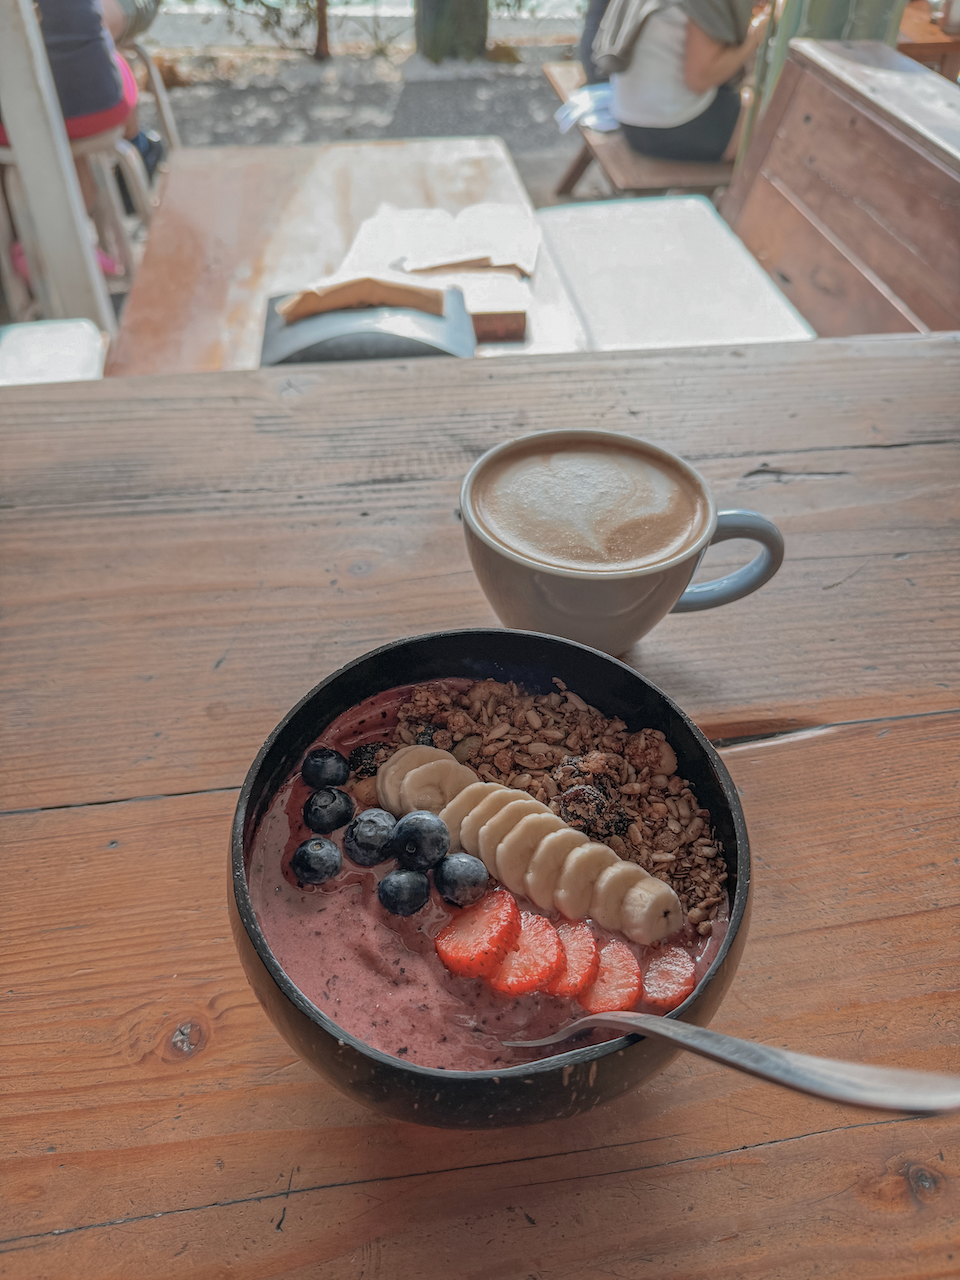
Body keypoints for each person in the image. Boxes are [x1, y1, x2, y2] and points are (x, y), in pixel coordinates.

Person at [608, 0, 769, 163]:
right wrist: (754, 37)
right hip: (668, 128)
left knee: (752, 100)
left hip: (627, 117)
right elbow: (700, 79)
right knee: (773, 117)